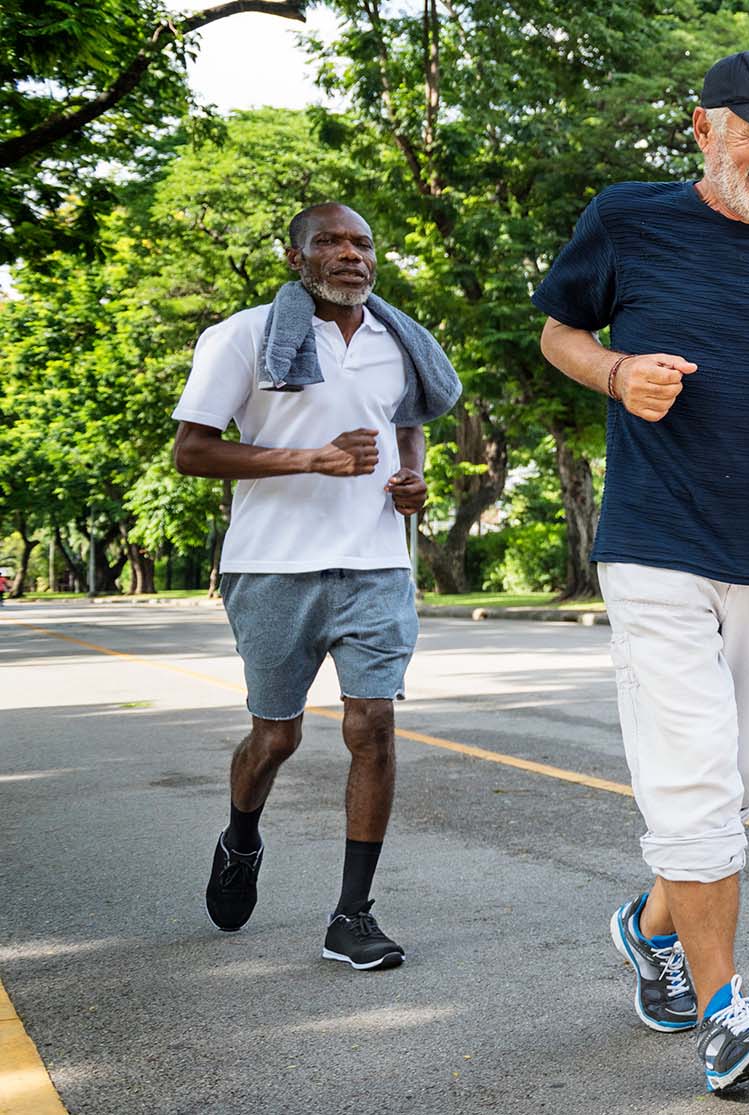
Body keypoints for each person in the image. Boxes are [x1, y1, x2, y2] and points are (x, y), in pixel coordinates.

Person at [532, 51, 749, 1091]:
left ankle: (649, 926)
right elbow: (560, 330)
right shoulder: (627, 219)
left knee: (730, 792)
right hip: (654, 542)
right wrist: (613, 371)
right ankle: (726, 1011)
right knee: (692, 783)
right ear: (703, 130)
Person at [173, 202, 460, 970]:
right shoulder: (241, 337)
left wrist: (413, 480)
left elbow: (406, 422)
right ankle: (241, 838)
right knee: (278, 735)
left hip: (375, 564)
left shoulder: (396, 341)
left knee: (372, 725)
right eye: (329, 242)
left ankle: (352, 913)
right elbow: (192, 452)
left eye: (362, 241)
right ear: (295, 257)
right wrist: (309, 459)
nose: (349, 254)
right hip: (271, 567)